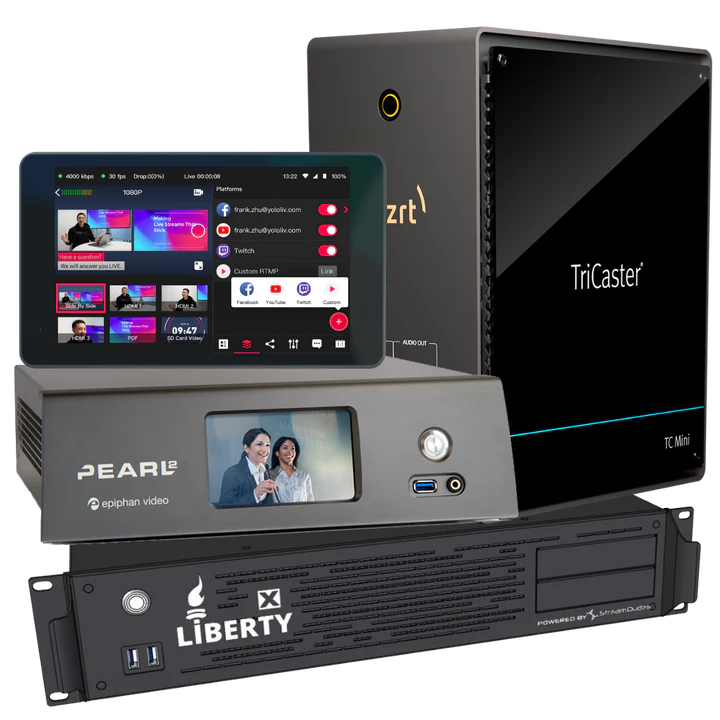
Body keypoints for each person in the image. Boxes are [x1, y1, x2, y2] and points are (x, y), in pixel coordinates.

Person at [216, 428, 279, 507]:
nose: (265, 449)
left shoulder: (266, 472)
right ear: (246, 448)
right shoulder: (233, 473)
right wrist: (255, 494)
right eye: (259, 444)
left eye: (267, 445)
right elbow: (225, 506)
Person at [267, 436, 314, 503]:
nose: (290, 451)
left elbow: (311, 502)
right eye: (285, 448)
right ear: (277, 453)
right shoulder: (269, 475)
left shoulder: (304, 476)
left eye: (293, 448)